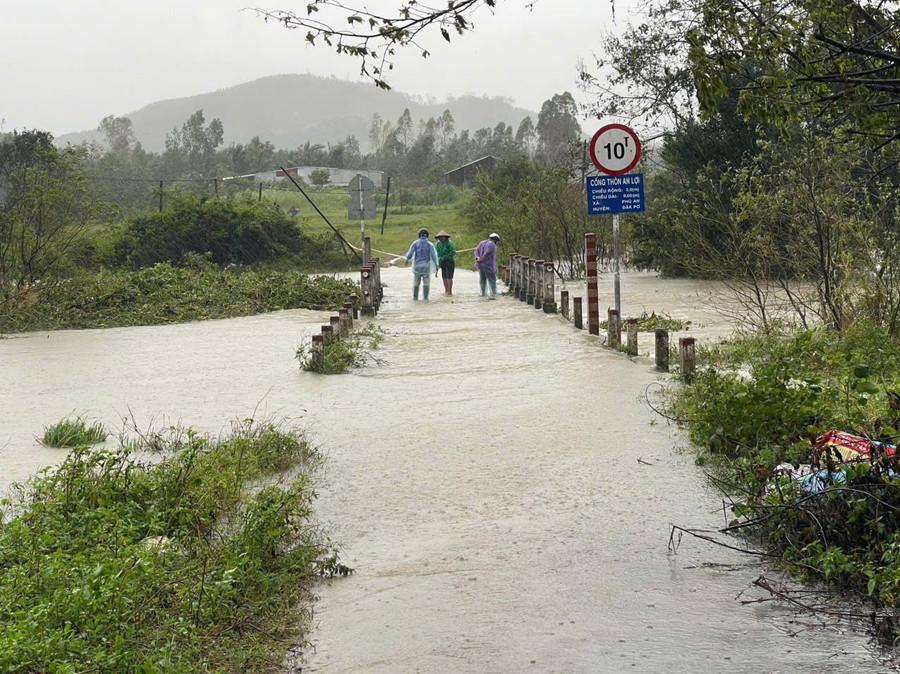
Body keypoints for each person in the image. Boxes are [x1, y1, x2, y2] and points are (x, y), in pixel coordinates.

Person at [405, 228, 439, 301]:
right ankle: (426, 298)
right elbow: (434, 256)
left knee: (416, 283)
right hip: (426, 267)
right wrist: (436, 265)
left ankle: (415, 298)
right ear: (427, 235)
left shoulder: (415, 243)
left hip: (417, 267)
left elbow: (410, 254)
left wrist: (407, 260)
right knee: (426, 283)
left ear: (419, 235)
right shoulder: (430, 244)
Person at [475, 232, 501, 298]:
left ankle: (483, 293)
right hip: (488, 265)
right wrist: (481, 259)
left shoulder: (482, 242)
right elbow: (487, 253)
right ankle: (493, 294)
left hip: (480, 265)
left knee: (482, 280)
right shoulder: (492, 244)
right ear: (495, 239)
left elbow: (476, 251)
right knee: (492, 280)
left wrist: (477, 258)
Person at [434, 230, 457, 296]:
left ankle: (450, 292)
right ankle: (446, 291)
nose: (441, 238)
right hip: (442, 262)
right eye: (440, 237)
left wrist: (445, 257)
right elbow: (437, 254)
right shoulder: (438, 244)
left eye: (442, 237)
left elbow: (453, 252)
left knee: (449, 277)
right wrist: (438, 262)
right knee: (444, 276)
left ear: (445, 237)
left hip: (449, 261)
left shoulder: (450, 243)